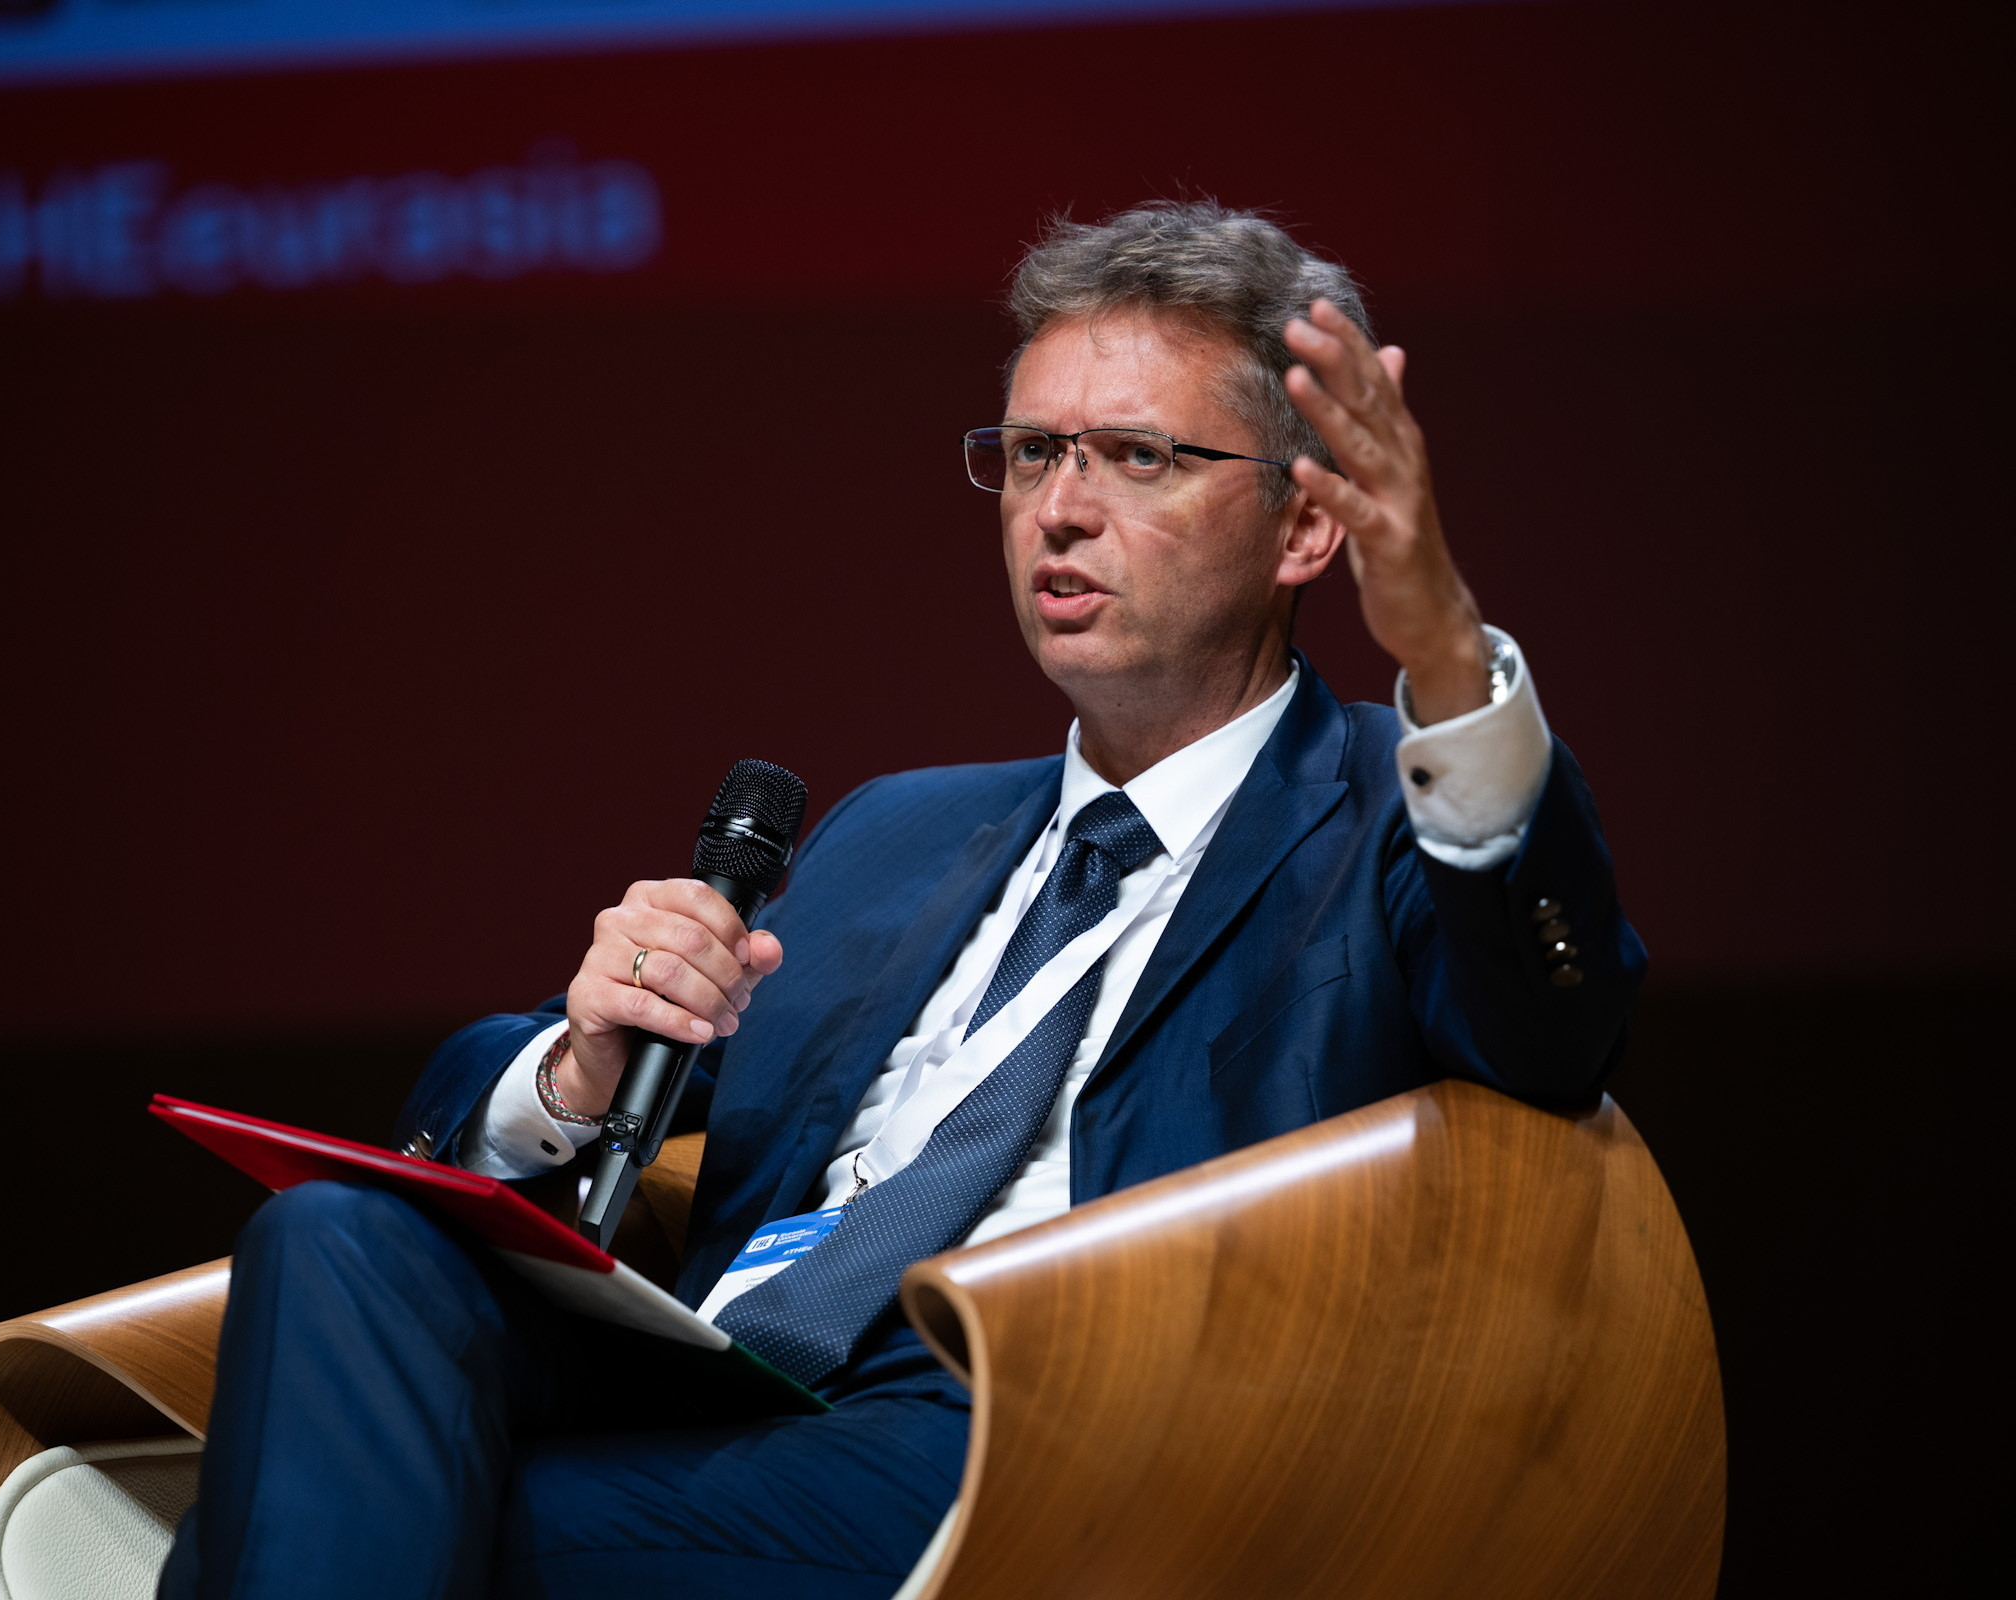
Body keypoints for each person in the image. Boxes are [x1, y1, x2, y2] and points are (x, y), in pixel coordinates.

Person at [159, 200, 1645, 1600]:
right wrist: (577, 1071)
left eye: (1137, 458)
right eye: (1033, 453)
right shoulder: (899, 830)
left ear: (1305, 527)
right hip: (729, 1374)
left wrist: (1445, 650)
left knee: (337, 1524)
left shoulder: (1395, 809)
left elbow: (1552, 1028)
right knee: (337, 1239)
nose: (1060, 510)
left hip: (1034, 1436)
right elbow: (485, 1113)